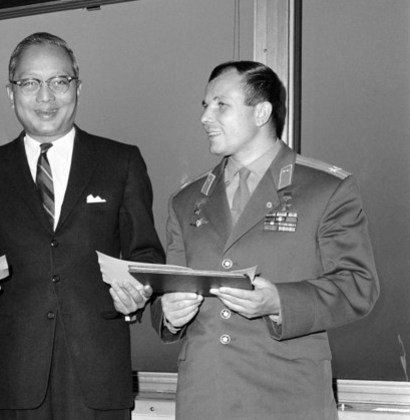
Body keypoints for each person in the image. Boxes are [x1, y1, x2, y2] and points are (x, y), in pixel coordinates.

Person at [151, 61, 379, 419]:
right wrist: (169, 315)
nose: (205, 117)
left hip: (287, 398)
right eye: (204, 106)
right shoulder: (186, 200)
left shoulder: (326, 189)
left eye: (220, 104)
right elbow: (172, 288)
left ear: (261, 112)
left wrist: (278, 303)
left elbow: (357, 286)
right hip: (204, 398)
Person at [0, 32, 164, 420]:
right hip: (17, 372)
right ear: (11, 92)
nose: (45, 97)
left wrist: (140, 291)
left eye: (59, 81)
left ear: (78, 87)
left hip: (99, 372)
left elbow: (145, 254)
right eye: (30, 82)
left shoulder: (120, 161)